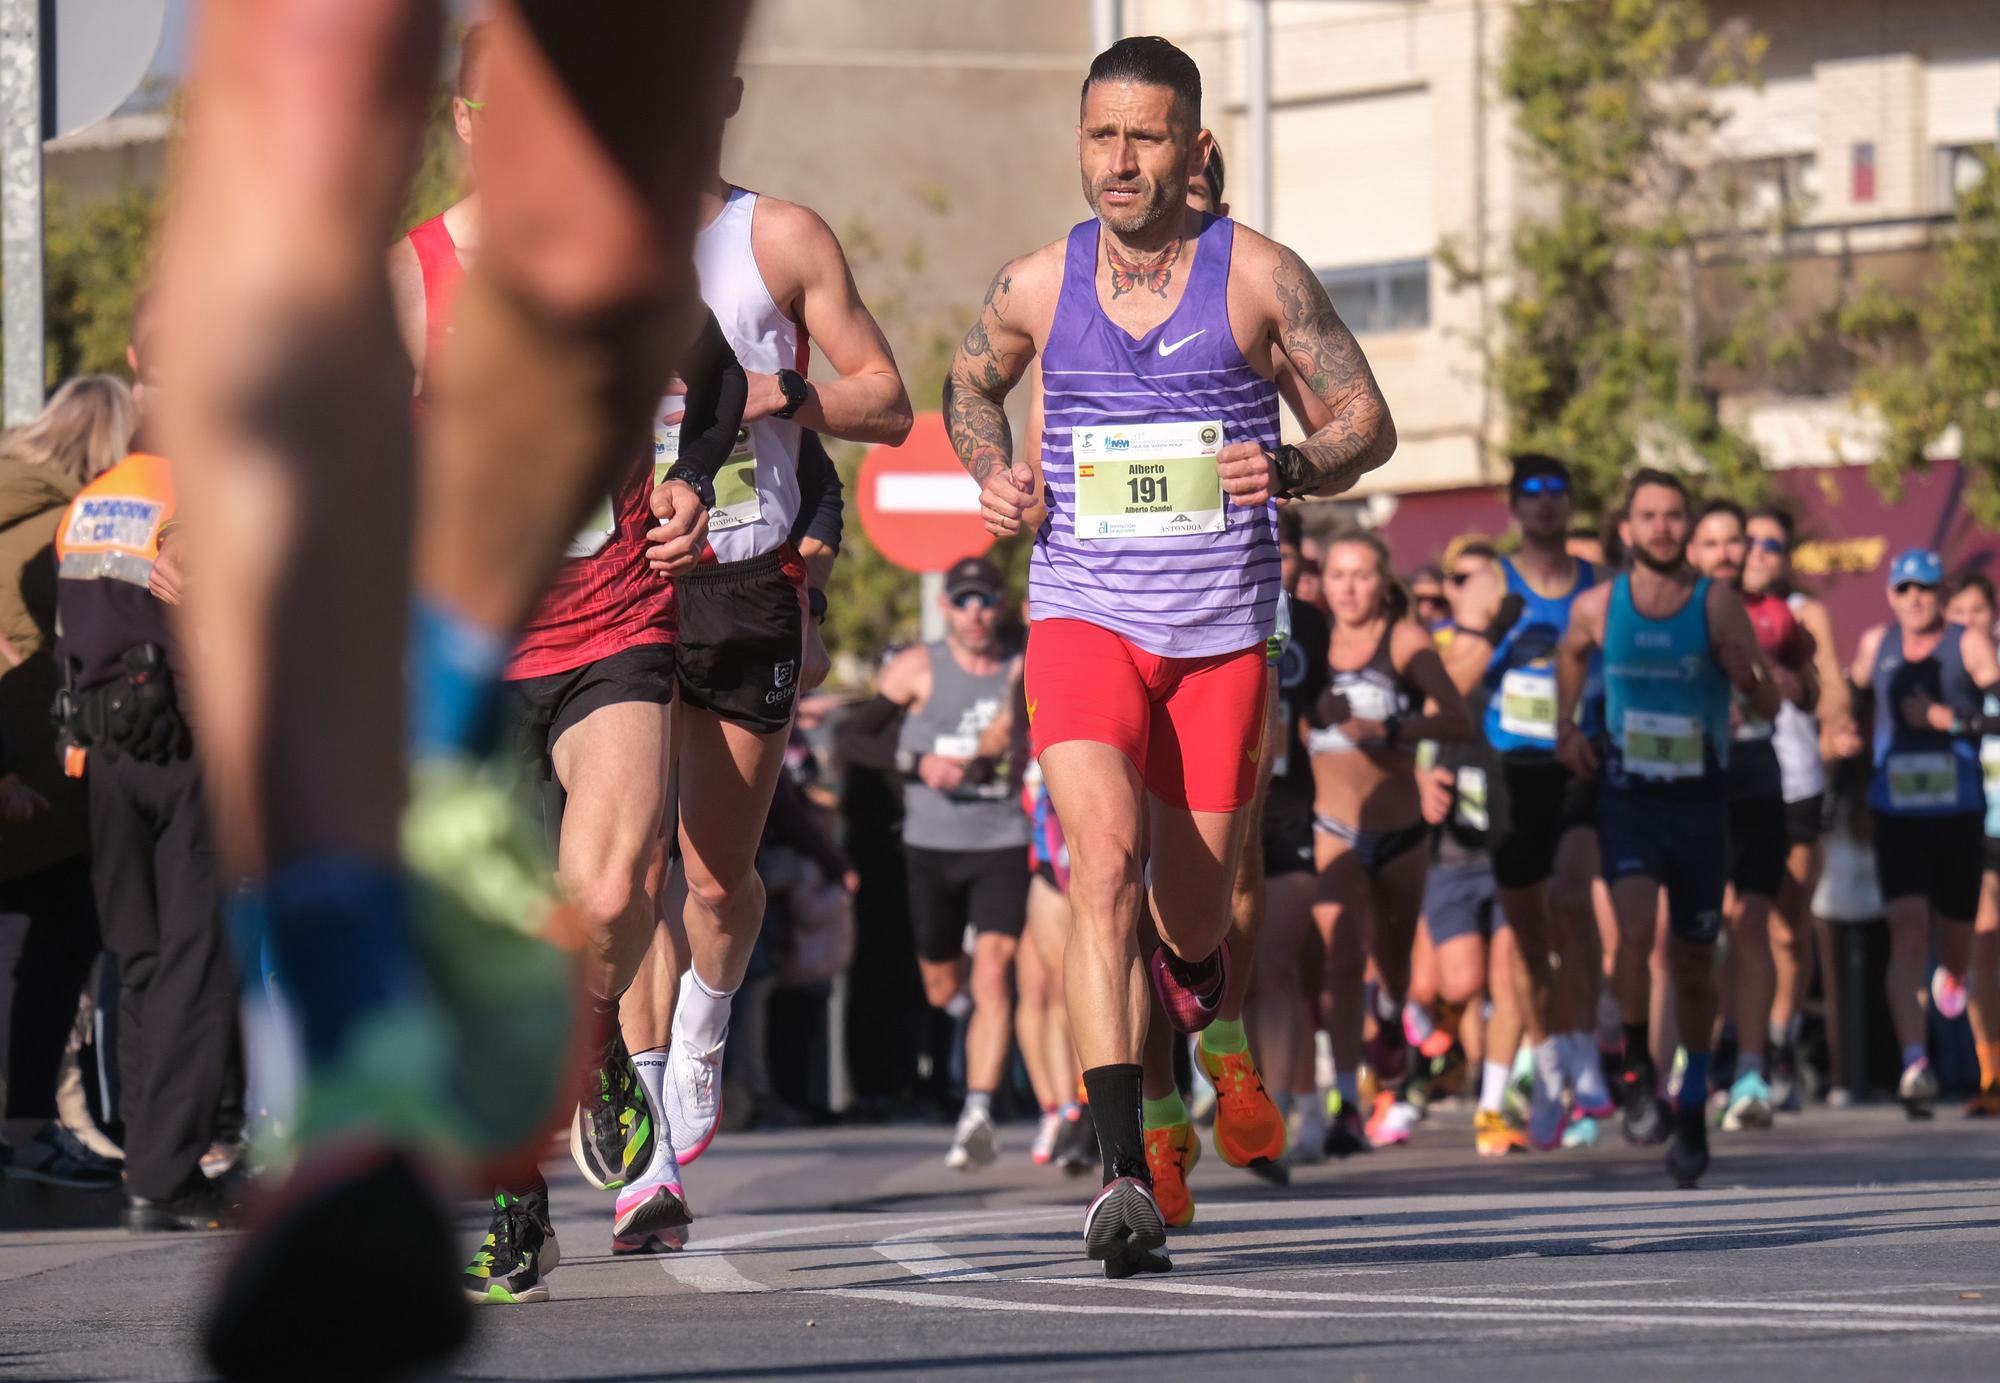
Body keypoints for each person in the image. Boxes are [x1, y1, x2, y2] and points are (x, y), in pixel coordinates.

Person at [153, 3, 753, 1374]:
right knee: (299, 148)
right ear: (466, 120)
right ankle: (368, 1065)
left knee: (604, 897)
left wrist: (686, 482)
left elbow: (703, 368)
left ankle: (576, 1041)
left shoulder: (655, 269)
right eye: (495, 109)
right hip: (452, 622)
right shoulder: (411, 275)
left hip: (607, 621)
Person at [949, 35, 1395, 1275]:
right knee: (1099, 869)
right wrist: (994, 472)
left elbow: (1366, 418)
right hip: (1083, 617)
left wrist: (1294, 466)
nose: (1118, 161)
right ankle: (1120, 1176)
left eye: (1144, 137)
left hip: (1217, 639)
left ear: (1193, 147)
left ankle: (1198, 1021)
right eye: (1100, 136)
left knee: (1189, 921)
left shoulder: (1256, 277)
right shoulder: (1039, 283)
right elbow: (967, 387)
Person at [618, 81, 912, 1207]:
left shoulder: (775, 237)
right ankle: (647, 1143)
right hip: (623, 586)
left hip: (747, 583)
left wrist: (772, 393)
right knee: (628, 864)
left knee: (712, 875)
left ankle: (702, 1025)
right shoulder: (573, 241)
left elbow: (885, 400)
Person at [53, 324, 238, 1231]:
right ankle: (169, 1173)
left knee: (141, 958)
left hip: (102, 756)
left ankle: (144, 1155)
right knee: (198, 961)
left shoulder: (87, 504)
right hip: (190, 745)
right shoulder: (202, 493)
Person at [1555, 468, 1782, 1188]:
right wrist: (1569, 726)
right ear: (1626, 528)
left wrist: (1755, 679)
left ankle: (1689, 1102)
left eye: (1673, 515)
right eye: (1648, 515)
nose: (1661, 527)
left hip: (1700, 803)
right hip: (1628, 795)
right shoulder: (1597, 605)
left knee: (1691, 961)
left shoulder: (1716, 605)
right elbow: (1569, 655)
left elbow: (1770, 701)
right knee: (1630, 931)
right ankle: (1636, 1066)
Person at [1440, 455, 1602, 1150]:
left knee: (1573, 896)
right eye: (1531, 494)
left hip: (1581, 761)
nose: (1544, 505)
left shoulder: (1599, 584)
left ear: (1568, 504)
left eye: (1556, 493)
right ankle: (1548, 1060)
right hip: (1509, 767)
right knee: (1532, 939)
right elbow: (1451, 683)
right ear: (1513, 505)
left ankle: (1586, 1054)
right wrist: (1491, 640)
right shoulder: (1485, 584)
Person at [0, 376, 135, 1189]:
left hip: (14, 749)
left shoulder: (11, 494)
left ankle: (27, 1126)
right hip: (39, 754)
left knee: (24, 934)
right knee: (59, 934)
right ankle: (27, 1129)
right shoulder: (64, 521)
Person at [1304, 532, 1470, 1154]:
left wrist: (1394, 726)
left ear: (1383, 583)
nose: (1348, 587)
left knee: (1394, 969)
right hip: (1332, 825)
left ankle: (1393, 1019)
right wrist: (1310, 711)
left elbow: (1458, 718)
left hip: (1400, 830)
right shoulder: (1311, 641)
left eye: (1362, 575)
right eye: (1338, 574)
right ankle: (1346, 1100)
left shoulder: (1403, 641)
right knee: (1342, 962)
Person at [866, 557, 1028, 1170]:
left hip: (1002, 841)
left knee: (995, 971)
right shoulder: (918, 667)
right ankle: (960, 1015)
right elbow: (858, 736)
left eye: (985, 599)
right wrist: (919, 764)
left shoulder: (1023, 663)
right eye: (964, 601)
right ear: (946, 608)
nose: (976, 613)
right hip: (931, 844)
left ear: (1000, 605)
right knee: (943, 986)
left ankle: (978, 1109)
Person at [1850, 549, 2000, 1118]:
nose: (1915, 598)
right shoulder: (1874, 645)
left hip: (1958, 811)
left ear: (1940, 594)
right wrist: (1842, 730)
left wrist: (1951, 721)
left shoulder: (1968, 643)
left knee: (1956, 942)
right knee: (1908, 930)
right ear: (1890, 594)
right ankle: (1915, 1060)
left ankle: (1955, 974)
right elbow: (1848, 699)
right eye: (1904, 588)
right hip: (1897, 812)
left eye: (1926, 589)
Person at [1686, 500, 1816, 1133]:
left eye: (1735, 541)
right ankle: (1696, 1063)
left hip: (1757, 777)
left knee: (1754, 923)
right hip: (1690, 782)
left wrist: (1785, 683)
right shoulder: (1674, 609)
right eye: (1711, 542)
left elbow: (1811, 687)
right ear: (1693, 551)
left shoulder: (1776, 614)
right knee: (1697, 935)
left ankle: (1752, 1072)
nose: (1727, 553)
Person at [1421, 540, 1529, 1155]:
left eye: (1482, 577)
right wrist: (1418, 779)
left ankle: (1491, 1107)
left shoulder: (1526, 639)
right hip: (1450, 846)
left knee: (1506, 977)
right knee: (1462, 985)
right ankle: (1426, 1025)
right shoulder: (1433, 646)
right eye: (1458, 577)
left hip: (1508, 829)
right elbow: (1432, 704)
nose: (1469, 587)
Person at [1743, 505, 1846, 1109]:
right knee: (1740, 921)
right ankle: (1740, 1048)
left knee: (1787, 927)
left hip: (1798, 781)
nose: (1758, 552)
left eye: (1771, 545)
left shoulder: (1808, 613)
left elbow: (1832, 692)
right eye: (1750, 541)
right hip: (1736, 777)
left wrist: (1813, 694)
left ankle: (1781, 1040)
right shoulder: (1716, 604)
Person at [1249, 511, 1331, 1164]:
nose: (1279, 556)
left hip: (1290, 803)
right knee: (1236, 972)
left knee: (1279, 964)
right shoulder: (1214, 598)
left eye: (1289, 548)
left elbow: (1319, 697)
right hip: (1227, 801)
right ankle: (1240, 1095)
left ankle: (1274, 1113)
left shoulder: (1313, 623)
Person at [1946, 572, 2000, 1114]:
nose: (1966, 622)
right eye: (1956, 613)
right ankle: (1992, 1073)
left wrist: (1959, 718)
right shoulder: (1943, 670)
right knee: (1984, 947)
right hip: (1978, 825)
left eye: (1976, 612)